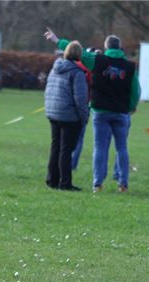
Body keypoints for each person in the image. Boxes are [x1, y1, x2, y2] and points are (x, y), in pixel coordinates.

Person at [44, 28, 140, 193]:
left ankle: (97, 184)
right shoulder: (130, 67)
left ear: (106, 46)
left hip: (100, 111)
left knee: (100, 147)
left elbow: (75, 50)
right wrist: (131, 107)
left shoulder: (97, 60)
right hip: (121, 112)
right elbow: (136, 90)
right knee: (122, 148)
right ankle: (123, 183)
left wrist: (56, 39)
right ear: (120, 47)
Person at [44, 41, 89, 191]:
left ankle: (52, 179)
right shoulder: (77, 73)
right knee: (66, 150)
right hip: (69, 115)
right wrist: (84, 117)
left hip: (53, 113)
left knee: (55, 147)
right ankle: (65, 183)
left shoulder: (54, 69)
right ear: (79, 55)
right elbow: (80, 99)